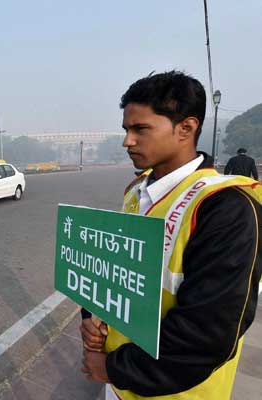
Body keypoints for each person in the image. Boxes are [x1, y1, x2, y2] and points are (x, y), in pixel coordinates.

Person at [80, 71, 262, 399]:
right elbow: (112, 277)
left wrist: (110, 368)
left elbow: (206, 337)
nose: (127, 141)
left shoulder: (227, 209)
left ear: (186, 129)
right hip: (121, 387)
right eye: (126, 129)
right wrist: (93, 321)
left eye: (140, 129)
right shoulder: (136, 191)